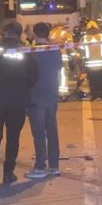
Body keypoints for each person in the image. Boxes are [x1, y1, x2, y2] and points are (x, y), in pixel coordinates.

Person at [0, 21, 37, 183]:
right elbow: (33, 76)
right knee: (13, 138)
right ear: (19, 33)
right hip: (17, 101)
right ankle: (8, 173)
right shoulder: (25, 50)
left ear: (5, 32)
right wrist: (23, 90)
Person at [25, 22, 62, 179]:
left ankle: (40, 167)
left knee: (39, 133)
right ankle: (54, 166)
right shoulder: (55, 50)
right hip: (51, 94)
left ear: (34, 33)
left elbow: (27, 75)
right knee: (52, 130)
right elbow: (59, 69)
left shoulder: (32, 52)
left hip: (36, 96)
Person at [81, 20, 102, 100]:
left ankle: (94, 95)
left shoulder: (84, 38)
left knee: (92, 79)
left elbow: (81, 50)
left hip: (90, 64)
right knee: (101, 79)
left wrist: (83, 59)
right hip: (101, 63)